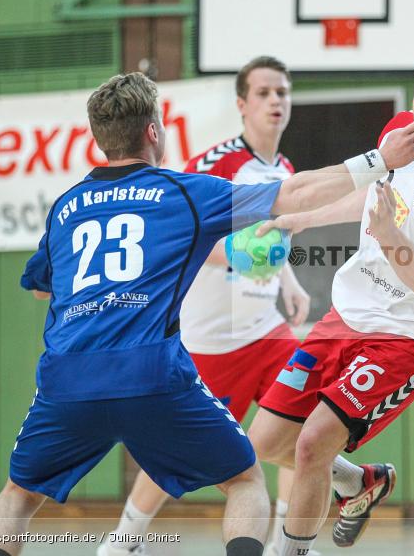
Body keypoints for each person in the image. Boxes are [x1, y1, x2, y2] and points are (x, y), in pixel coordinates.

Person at [0, 71, 414, 556]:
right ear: (154, 131)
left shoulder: (66, 207)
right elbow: (294, 194)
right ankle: (139, 539)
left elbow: (42, 289)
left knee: (18, 495)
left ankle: (126, 540)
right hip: (153, 369)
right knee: (244, 480)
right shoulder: (184, 193)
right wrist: (381, 160)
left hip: (68, 376)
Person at [248, 31, 414, 556]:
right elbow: (373, 196)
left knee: (313, 443)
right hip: (347, 315)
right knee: (265, 445)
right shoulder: (402, 133)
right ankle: (357, 481)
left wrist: (390, 239)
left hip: (410, 336)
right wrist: (302, 220)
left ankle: (293, 550)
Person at [97, 56, 318, 556]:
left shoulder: (283, 170)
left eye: (282, 92)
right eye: (263, 93)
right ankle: (125, 539)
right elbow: (181, 230)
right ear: (242, 104)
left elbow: (274, 234)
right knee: (177, 452)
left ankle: (289, 543)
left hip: (266, 329)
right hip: (213, 338)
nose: (275, 101)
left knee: (299, 430)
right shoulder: (215, 163)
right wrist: (238, 259)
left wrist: (290, 282)